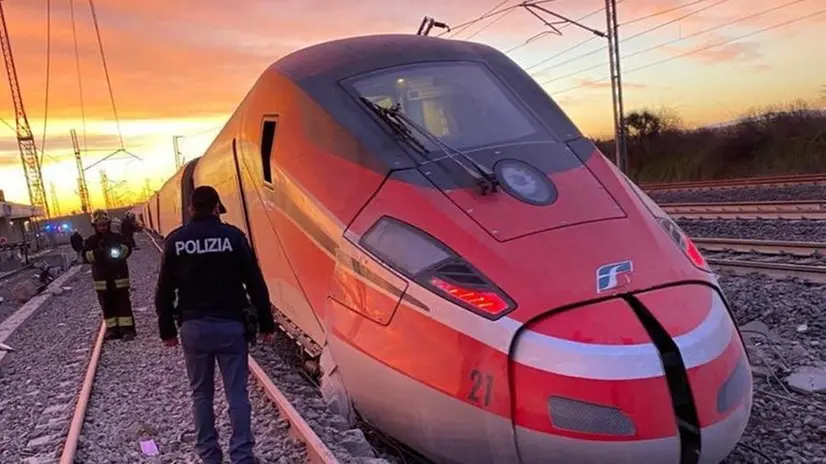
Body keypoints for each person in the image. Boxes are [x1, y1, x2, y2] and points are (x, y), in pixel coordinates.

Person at [154, 186, 275, 464]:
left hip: (194, 328)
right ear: (216, 207)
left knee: (201, 395)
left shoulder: (176, 241)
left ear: (190, 209)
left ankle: (209, 456)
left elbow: (163, 291)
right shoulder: (233, 237)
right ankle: (242, 455)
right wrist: (267, 323)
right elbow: (255, 283)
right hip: (230, 326)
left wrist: (167, 330)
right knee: (237, 394)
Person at [82, 210, 137, 341]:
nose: (103, 227)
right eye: (100, 225)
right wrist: (98, 253)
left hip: (119, 279)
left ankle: (127, 330)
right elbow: (85, 256)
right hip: (102, 282)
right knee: (107, 306)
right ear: (95, 226)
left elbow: (127, 249)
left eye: (105, 224)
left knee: (123, 304)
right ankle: (112, 330)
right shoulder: (91, 241)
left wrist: (117, 249)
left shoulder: (117, 238)